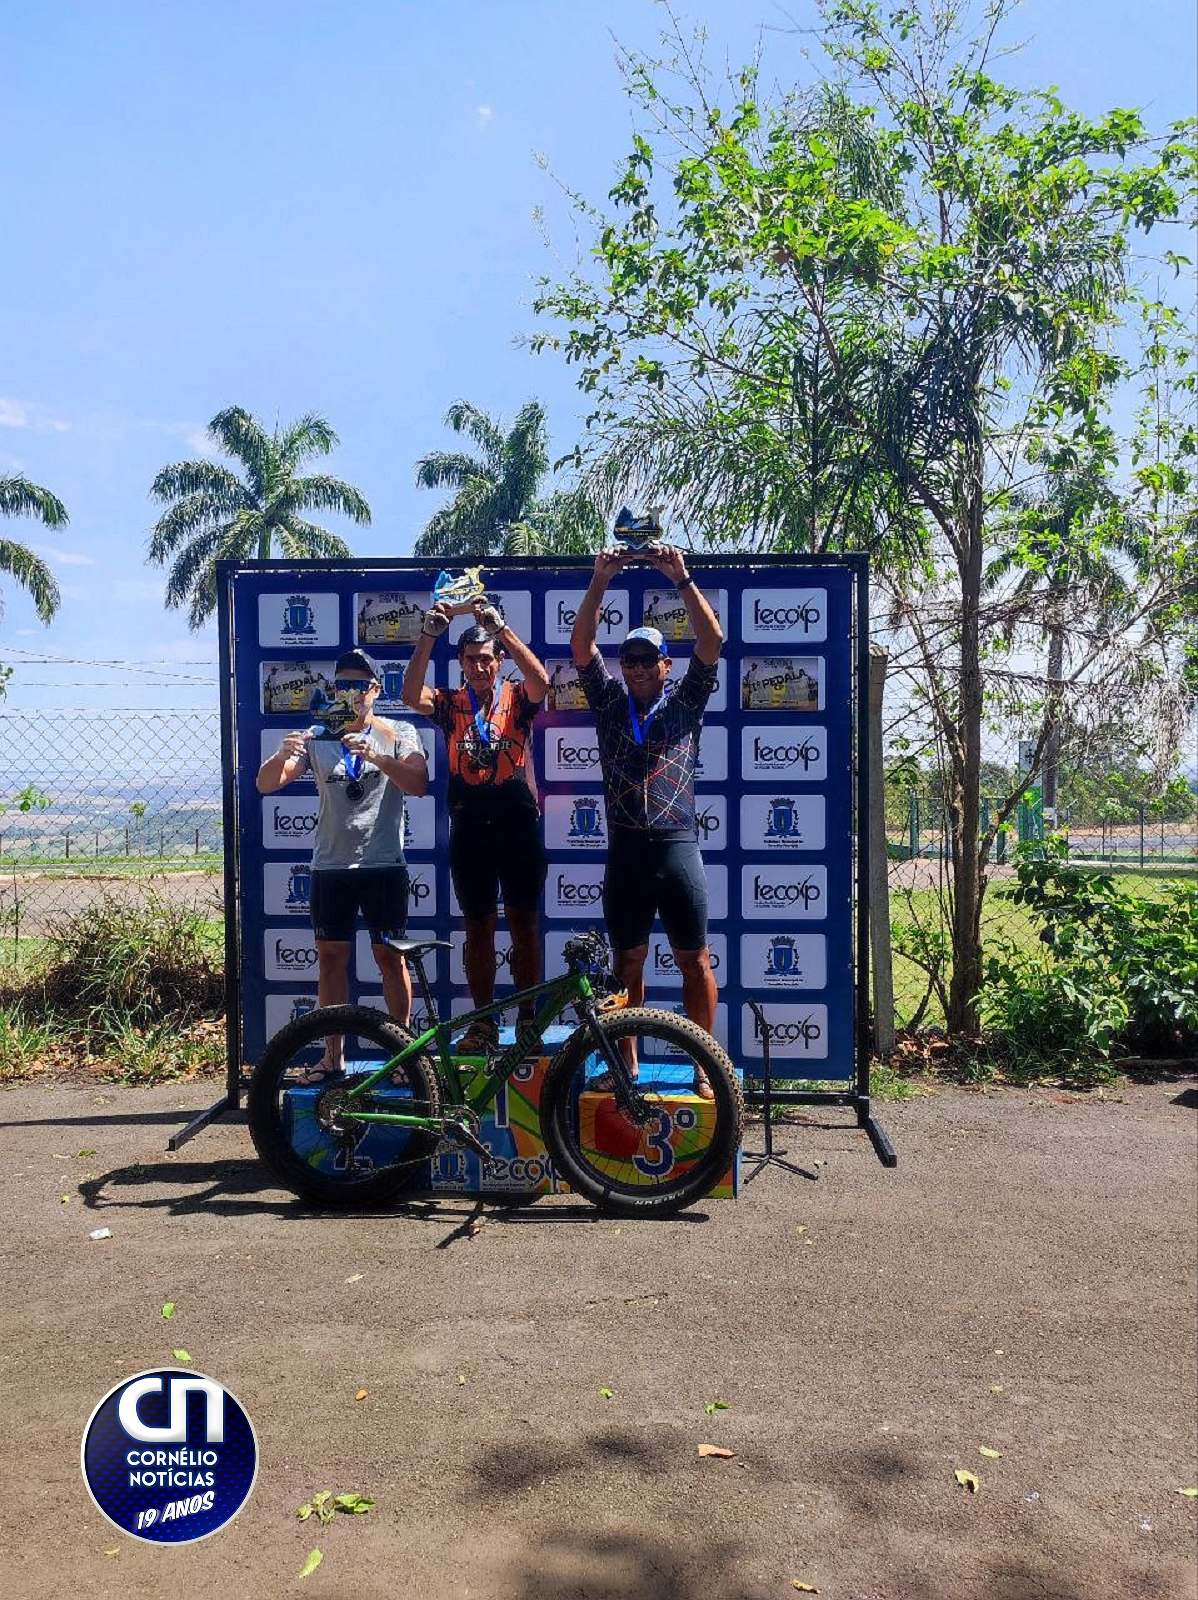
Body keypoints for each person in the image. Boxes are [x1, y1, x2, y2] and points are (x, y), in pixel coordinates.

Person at [570, 544, 724, 1095]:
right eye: (629, 659)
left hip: (677, 848)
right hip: (627, 852)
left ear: (666, 666)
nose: (636, 668)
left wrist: (681, 577)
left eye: (646, 659)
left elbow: (712, 642)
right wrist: (599, 580)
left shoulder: (686, 702)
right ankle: (628, 1065)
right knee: (628, 964)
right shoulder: (610, 702)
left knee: (694, 961)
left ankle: (704, 1064)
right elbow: (581, 645)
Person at [256, 647, 429, 1075]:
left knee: (390, 957)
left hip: (383, 863)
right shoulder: (318, 734)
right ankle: (332, 1057)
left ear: (374, 690)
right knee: (331, 959)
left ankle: (400, 1056)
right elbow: (266, 784)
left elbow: (419, 785)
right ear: (334, 690)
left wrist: (377, 757)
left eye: (359, 685)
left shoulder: (398, 731)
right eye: (343, 685)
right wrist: (281, 756)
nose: (350, 694)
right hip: (331, 866)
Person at [402, 597, 549, 1053]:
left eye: (487, 659)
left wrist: (501, 629)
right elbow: (410, 695)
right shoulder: (450, 703)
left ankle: (528, 1019)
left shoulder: (518, 698)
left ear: (498, 661)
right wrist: (429, 633)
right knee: (478, 928)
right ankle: (484, 1022)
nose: (480, 666)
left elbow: (542, 681)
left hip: (517, 824)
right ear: (462, 663)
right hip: (469, 827)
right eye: (471, 659)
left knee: (525, 925)